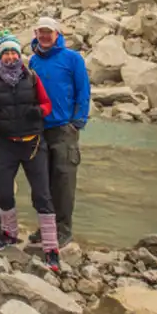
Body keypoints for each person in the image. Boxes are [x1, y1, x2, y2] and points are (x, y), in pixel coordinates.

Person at [0, 32, 61, 272]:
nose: (10, 57)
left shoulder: (32, 77)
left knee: (42, 195)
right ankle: (10, 233)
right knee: (3, 191)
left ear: (19, 55)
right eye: (6, 53)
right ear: (1, 56)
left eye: (13, 53)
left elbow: (47, 103)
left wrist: (39, 112)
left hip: (32, 145)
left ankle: (51, 248)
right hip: (7, 142)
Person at [25, 17, 90, 247]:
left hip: (64, 129)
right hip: (40, 129)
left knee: (63, 180)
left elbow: (83, 90)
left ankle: (64, 229)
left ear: (57, 34)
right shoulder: (33, 61)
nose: (44, 36)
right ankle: (46, 227)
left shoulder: (72, 59)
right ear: (36, 34)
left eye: (48, 32)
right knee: (43, 182)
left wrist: (77, 122)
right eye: (41, 32)